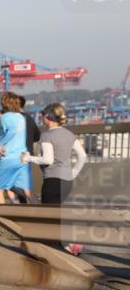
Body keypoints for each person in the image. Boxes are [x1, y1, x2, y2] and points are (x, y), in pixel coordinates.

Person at [22, 102, 87, 255]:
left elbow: (48, 160)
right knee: (60, 215)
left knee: (49, 218)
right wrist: (73, 174)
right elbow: (83, 156)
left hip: (52, 181)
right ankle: (70, 244)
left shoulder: (47, 135)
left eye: (43, 116)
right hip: (67, 181)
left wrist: (28, 158)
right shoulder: (69, 134)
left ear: (48, 117)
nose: (42, 119)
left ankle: (64, 248)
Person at [0, 91, 32, 205]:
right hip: (22, 157)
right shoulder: (21, 117)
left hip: (8, 158)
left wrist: (0, 144)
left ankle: (6, 218)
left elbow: (11, 132)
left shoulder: (5, 117)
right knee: (25, 190)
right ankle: (42, 213)